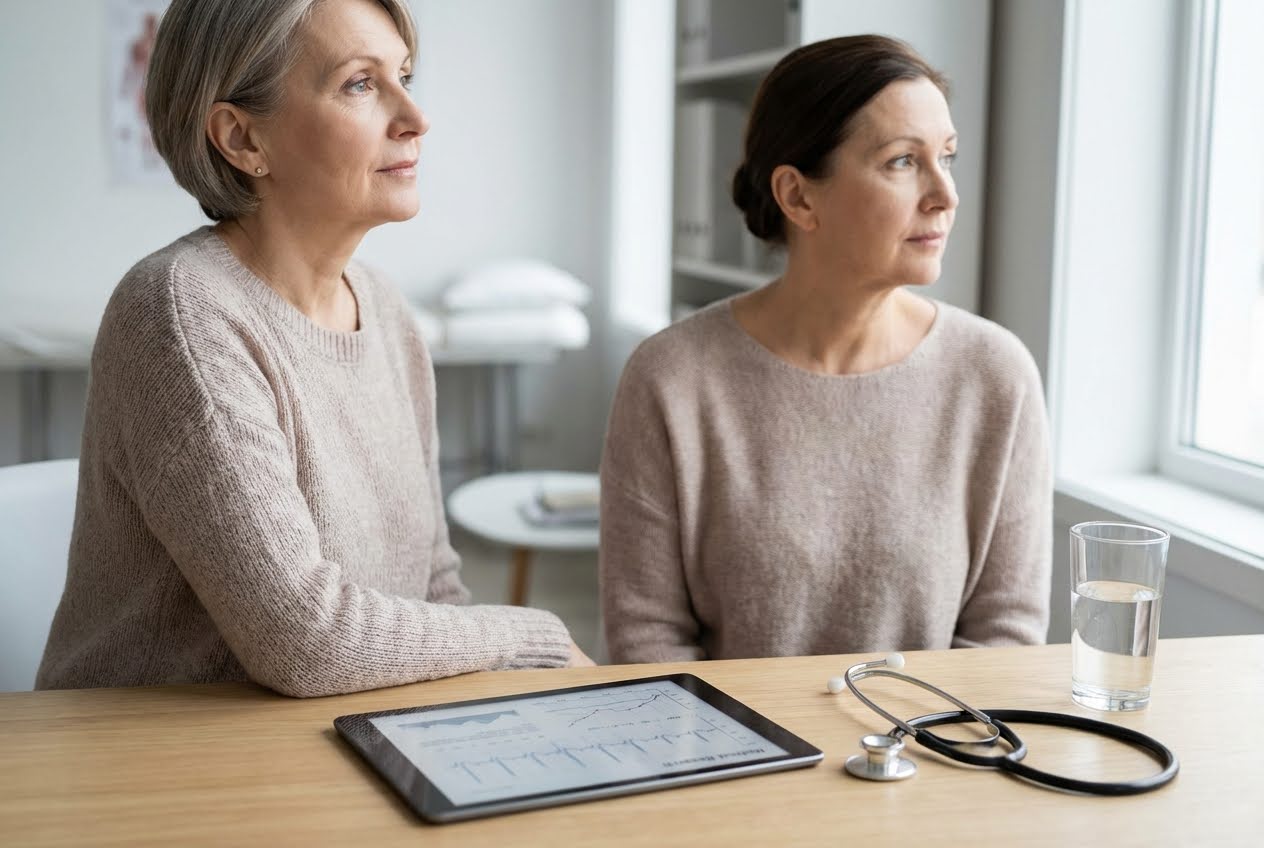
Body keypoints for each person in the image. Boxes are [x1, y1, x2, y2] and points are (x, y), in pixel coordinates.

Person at [37, 0, 592, 697]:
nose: (416, 119)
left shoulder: (389, 314)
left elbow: (435, 585)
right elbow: (304, 640)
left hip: (338, 737)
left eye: (405, 76)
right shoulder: (179, 314)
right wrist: (530, 638)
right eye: (360, 83)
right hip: (149, 767)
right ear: (242, 139)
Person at [600, 36, 1051, 663]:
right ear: (798, 197)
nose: (945, 195)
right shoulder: (672, 378)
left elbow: (1004, 639)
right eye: (902, 161)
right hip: (734, 758)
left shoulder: (996, 376)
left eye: (946, 156)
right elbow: (647, 641)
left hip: (934, 752)